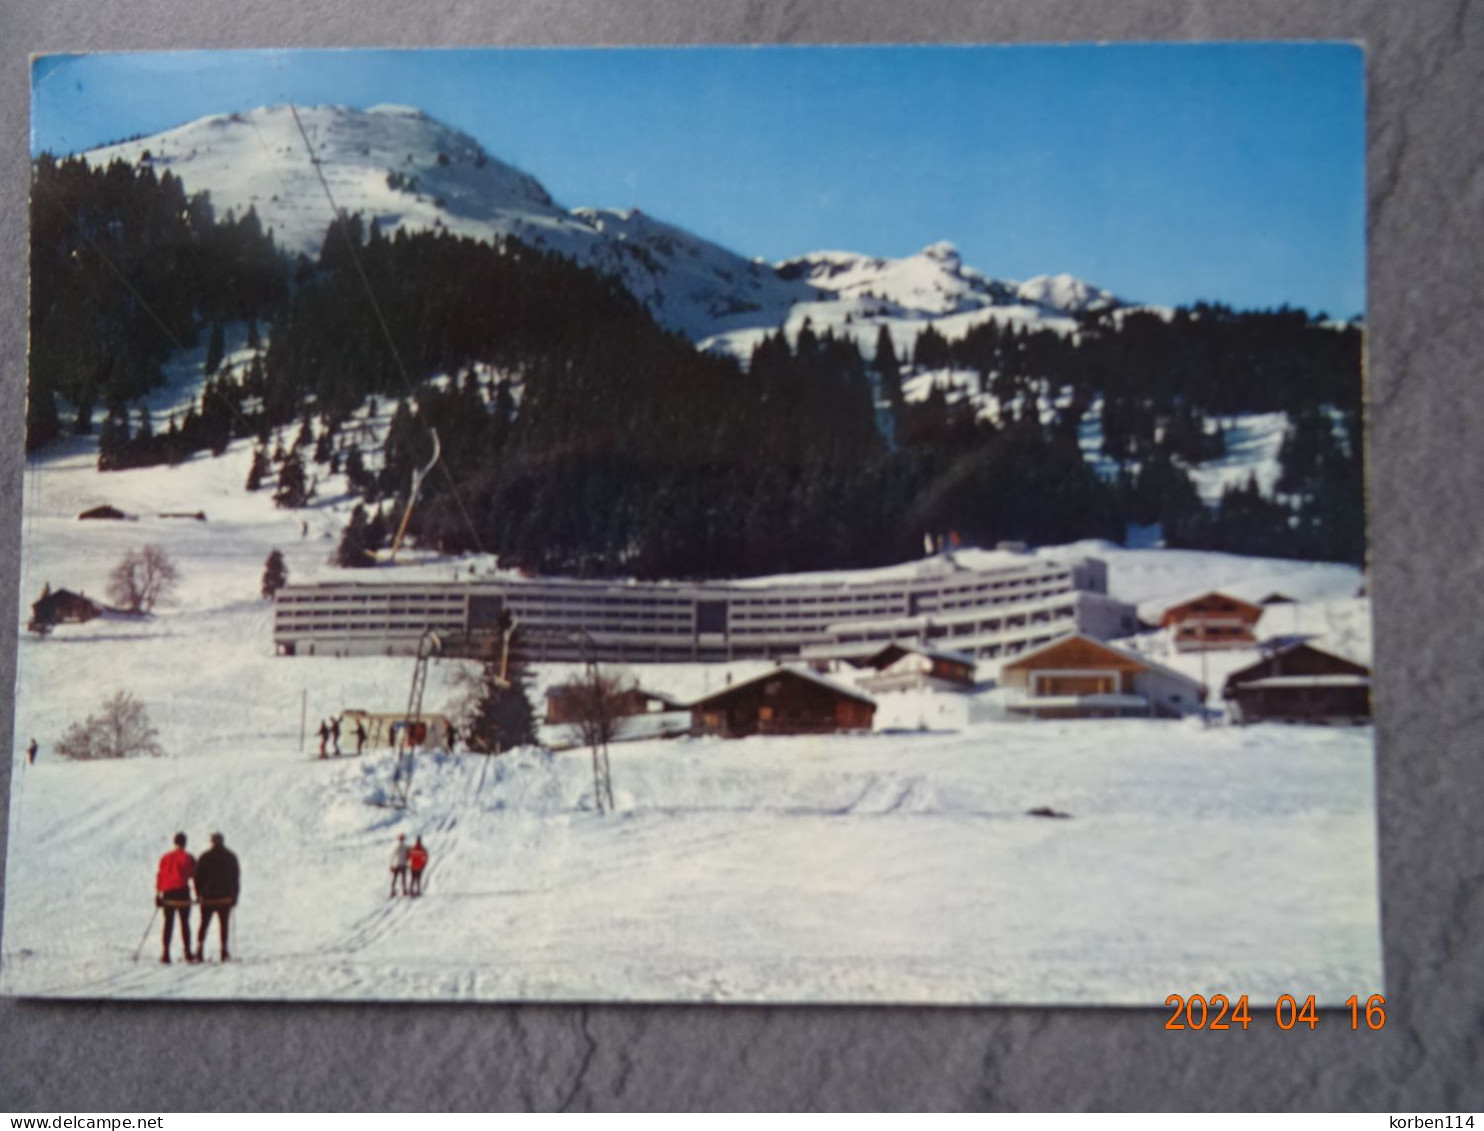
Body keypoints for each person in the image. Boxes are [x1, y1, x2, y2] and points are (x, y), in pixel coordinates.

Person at [194, 832, 240, 962]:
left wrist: (199, 894)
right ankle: (224, 951)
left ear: (212, 842)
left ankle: (199, 949)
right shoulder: (231, 857)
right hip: (224, 898)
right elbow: (235, 878)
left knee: (204, 924)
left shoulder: (204, 857)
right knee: (223, 925)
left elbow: (197, 878)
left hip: (208, 897)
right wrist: (234, 896)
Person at [155, 832, 197, 964]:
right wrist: (198, 893)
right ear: (185, 843)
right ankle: (188, 952)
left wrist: (158, 894)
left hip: (167, 894)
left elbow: (160, 876)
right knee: (184, 923)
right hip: (182, 892)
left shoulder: (165, 857)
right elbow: (193, 875)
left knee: (168, 923)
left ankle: (165, 952)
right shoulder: (188, 857)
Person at [389, 833, 409, 898]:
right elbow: (408, 856)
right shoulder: (406, 847)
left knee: (395, 878)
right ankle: (404, 890)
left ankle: (392, 890)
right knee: (403, 878)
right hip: (403, 864)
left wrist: (391, 864)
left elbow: (392, 855)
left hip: (397, 864)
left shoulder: (396, 846)